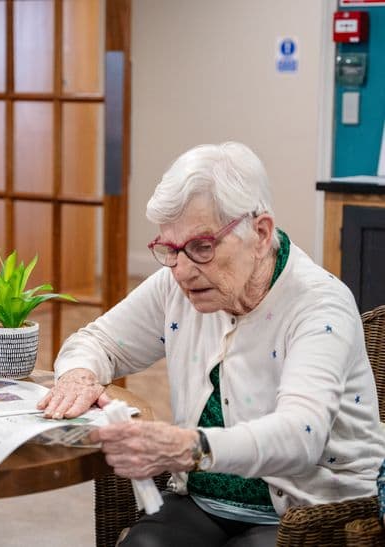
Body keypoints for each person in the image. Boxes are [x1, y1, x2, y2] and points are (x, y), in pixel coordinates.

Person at [38, 142, 385, 546]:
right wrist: (79, 375)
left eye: (202, 246)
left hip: (310, 511)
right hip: (203, 500)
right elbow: (98, 341)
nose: (182, 271)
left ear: (260, 233)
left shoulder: (319, 305)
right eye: (169, 249)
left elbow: (300, 434)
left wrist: (188, 447)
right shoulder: (178, 284)